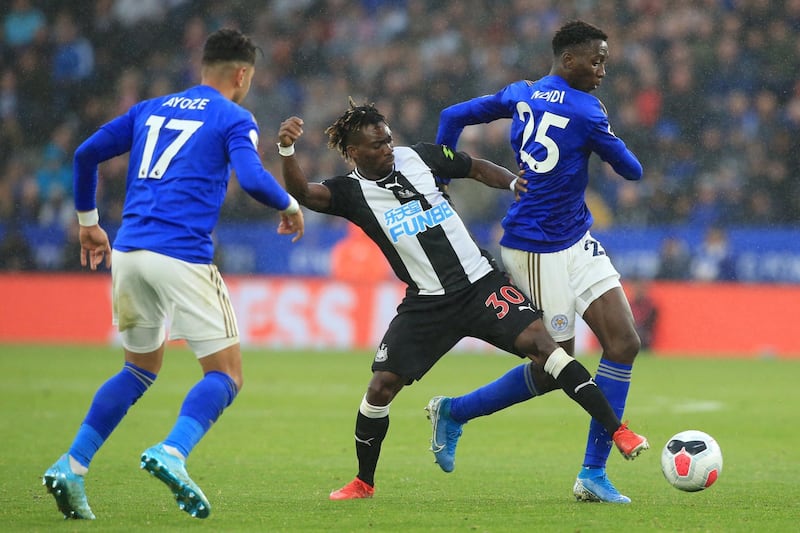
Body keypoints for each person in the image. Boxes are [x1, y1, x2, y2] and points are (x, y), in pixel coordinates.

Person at [277, 100, 647, 501]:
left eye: (387, 139)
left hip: (481, 286)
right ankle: (363, 482)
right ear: (353, 153)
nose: (387, 149)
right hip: (427, 304)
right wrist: (286, 150)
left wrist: (510, 183)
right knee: (381, 389)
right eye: (376, 145)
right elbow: (301, 191)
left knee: (547, 349)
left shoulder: (418, 157)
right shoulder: (349, 193)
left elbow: (472, 166)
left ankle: (619, 431)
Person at [42, 28, 304, 520]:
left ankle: (72, 466)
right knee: (226, 374)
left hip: (129, 252)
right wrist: (290, 204)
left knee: (138, 368)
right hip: (182, 255)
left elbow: (84, 155)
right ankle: (173, 451)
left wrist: (88, 225)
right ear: (242, 74)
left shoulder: (150, 108)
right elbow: (250, 179)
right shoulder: (234, 116)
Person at [433, 20, 645, 503]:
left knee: (624, 342)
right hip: (534, 246)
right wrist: (603, 133)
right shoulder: (588, 111)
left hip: (574, 236)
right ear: (568, 60)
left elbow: (452, 116)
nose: (603, 70)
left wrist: (442, 174)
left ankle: (593, 474)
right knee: (557, 362)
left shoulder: (520, 92)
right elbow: (632, 171)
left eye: (606, 61)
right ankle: (454, 411)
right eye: (596, 60)